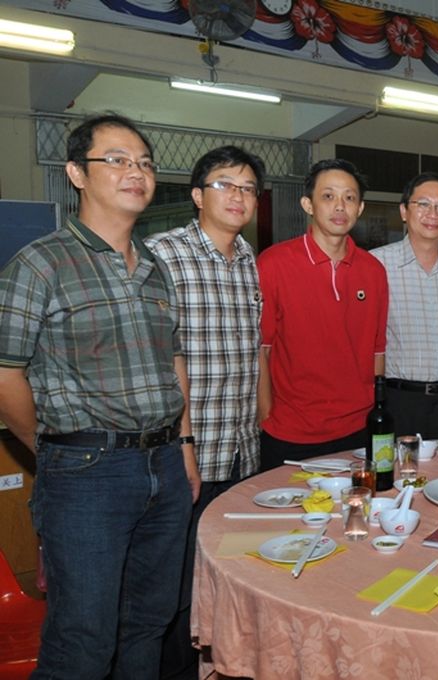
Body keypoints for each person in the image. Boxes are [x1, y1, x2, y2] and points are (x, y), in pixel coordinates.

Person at [0, 114, 198, 679]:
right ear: (76, 174)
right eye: (116, 159)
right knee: (82, 642)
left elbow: (173, 362)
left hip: (164, 466)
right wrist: (52, 449)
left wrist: (185, 447)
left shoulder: (156, 268)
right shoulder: (40, 264)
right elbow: (5, 375)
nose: (136, 172)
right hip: (86, 473)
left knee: (148, 624)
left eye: (144, 162)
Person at [145, 145, 265, 678]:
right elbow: (157, 360)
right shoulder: (162, 255)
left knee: (225, 581)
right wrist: (182, 445)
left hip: (240, 454)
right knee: (174, 592)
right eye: (225, 185)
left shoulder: (250, 260)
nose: (238, 196)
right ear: (197, 195)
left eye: (247, 188)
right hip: (186, 457)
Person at [257, 159, 387, 470]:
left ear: (360, 208)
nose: (340, 206)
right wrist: (266, 417)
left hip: (357, 430)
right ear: (308, 204)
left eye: (349, 198)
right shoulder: (273, 263)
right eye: (328, 196)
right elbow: (262, 349)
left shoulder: (373, 270)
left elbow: (377, 351)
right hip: (290, 432)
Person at [371, 172, 438, 439]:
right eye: (423, 204)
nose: (433, 214)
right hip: (399, 401)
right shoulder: (376, 265)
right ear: (404, 211)